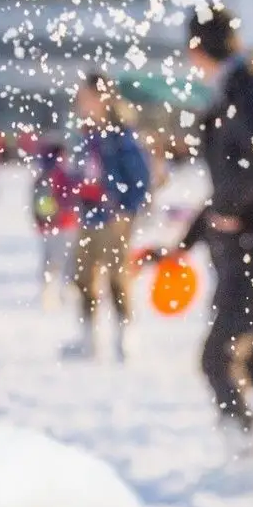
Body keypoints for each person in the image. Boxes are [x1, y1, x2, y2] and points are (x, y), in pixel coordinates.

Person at [166, 0, 253, 451]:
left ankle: (246, 453)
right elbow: (238, 178)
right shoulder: (243, 88)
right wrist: (187, 239)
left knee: (218, 359)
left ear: (196, 47)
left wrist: (226, 209)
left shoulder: (249, 89)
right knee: (249, 360)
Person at [63, 73, 151, 361]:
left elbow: (140, 176)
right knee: (83, 276)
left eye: (87, 97)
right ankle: (88, 337)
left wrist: (126, 207)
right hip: (89, 214)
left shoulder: (120, 136)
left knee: (117, 275)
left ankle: (125, 337)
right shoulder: (85, 135)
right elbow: (80, 172)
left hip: (114, 216)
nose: (82, 103)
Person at [28, 132, 79, 309]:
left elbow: (38, 203)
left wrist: (43, 220)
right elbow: (72, 197)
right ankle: (66, 292)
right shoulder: (62, 174)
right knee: (66, 261)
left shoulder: (43, 176)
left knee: (51, 260)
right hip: (65, 223)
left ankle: (50, 292)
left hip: (51, 225)